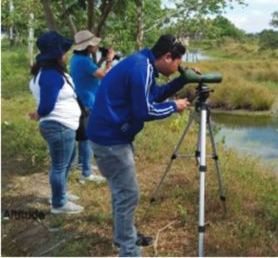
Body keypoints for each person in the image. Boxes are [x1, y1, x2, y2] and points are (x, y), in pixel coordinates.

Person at [87, 35, 191, 256]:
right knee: (128, 194)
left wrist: (182, 81)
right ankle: (129, 250)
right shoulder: (140, 69)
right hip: (111, 140)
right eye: (177, 64)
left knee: (121, 192)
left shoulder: (144, 63)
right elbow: (145, 111)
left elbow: (152, 95)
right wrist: (174, 106)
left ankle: (123, 236)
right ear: (167, 57)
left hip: (111, 136)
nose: (177, 68)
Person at [28, 31, 84, 214]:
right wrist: (39, 113)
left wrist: (39, 113)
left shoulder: (47, 73)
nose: (66, 55)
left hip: (62, 125)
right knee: (60, 165)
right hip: (59, 125)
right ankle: (59, 203)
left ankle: (61, 194)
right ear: (57, 55)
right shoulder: (51, 75)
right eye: (64, 52)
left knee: (68, 161)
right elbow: (47, 104)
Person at [69, 30, 112, 184]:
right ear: (87, 46)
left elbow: (93, 72)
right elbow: (106, 76)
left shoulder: (78, 58)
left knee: (82, 135)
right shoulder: (84, 61)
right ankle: (86, 173)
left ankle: (82, 164)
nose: (97, 45)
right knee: (86, 137)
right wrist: (109, 60)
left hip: (82, 100)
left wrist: (101, 60)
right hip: (86, 102)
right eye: (94, 43)